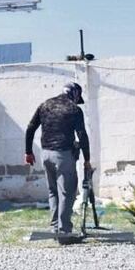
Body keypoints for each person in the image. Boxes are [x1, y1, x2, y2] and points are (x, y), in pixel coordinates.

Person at [25, 82, 91, 235]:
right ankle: (64, 230)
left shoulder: (45, 105)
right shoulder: (74, 109)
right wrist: (87, 159)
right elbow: (82, 135)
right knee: (67, 192)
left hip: (45, 154)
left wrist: (28, 152)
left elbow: (30, 128)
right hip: (63, 155)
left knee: (53, 191)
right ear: (75, 94)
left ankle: (55, 227)